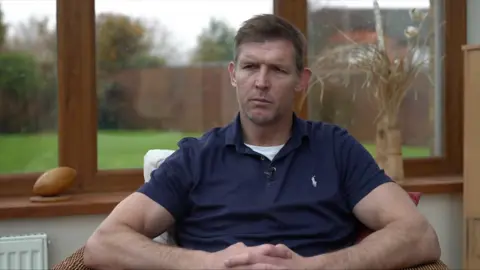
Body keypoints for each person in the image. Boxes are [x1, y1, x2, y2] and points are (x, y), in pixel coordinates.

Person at [84, 14, 440, 270]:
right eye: (251, 67)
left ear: (302, 80)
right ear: (233, 75)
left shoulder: (336, 149)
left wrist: (315, 267)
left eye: (278, 70)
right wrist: (207, 263)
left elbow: (419, 235)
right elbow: (104, 243)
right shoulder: (196, 157)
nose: (262, 82)